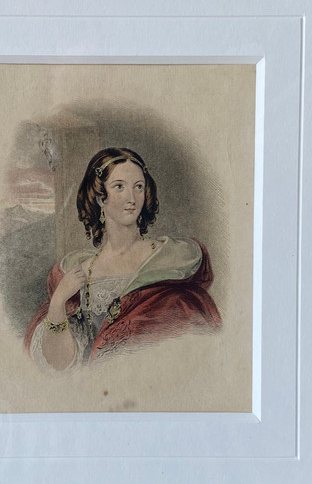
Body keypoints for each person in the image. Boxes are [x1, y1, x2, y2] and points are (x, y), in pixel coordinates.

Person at [24, 147, 220, 371]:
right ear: (100, 197)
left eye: (139, 187)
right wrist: (58, 302)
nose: (132, 198)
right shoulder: (80, 272)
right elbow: (61, 364)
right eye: (119, 186)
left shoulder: (169, 262)